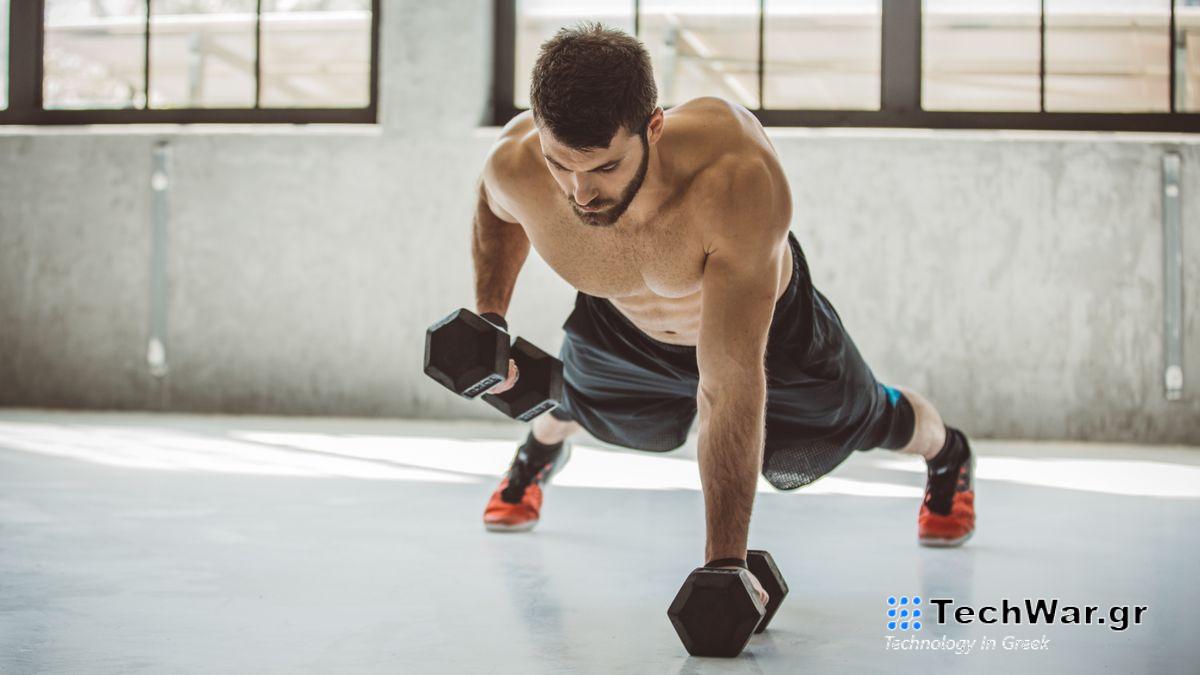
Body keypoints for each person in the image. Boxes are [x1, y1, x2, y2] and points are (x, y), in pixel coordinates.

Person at [471, 23, 975, 606]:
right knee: (569, 397)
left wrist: (724, 564)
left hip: (770, 336)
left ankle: (949, 457)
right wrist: (489, 317)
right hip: (620, 322)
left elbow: (729, 384)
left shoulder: (735, 178)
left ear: (652, 126)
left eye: (606, 168)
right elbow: (495, 210)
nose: (580, 194)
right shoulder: (516, 164)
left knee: (873, 421)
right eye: (562, 166)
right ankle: (536, 455)